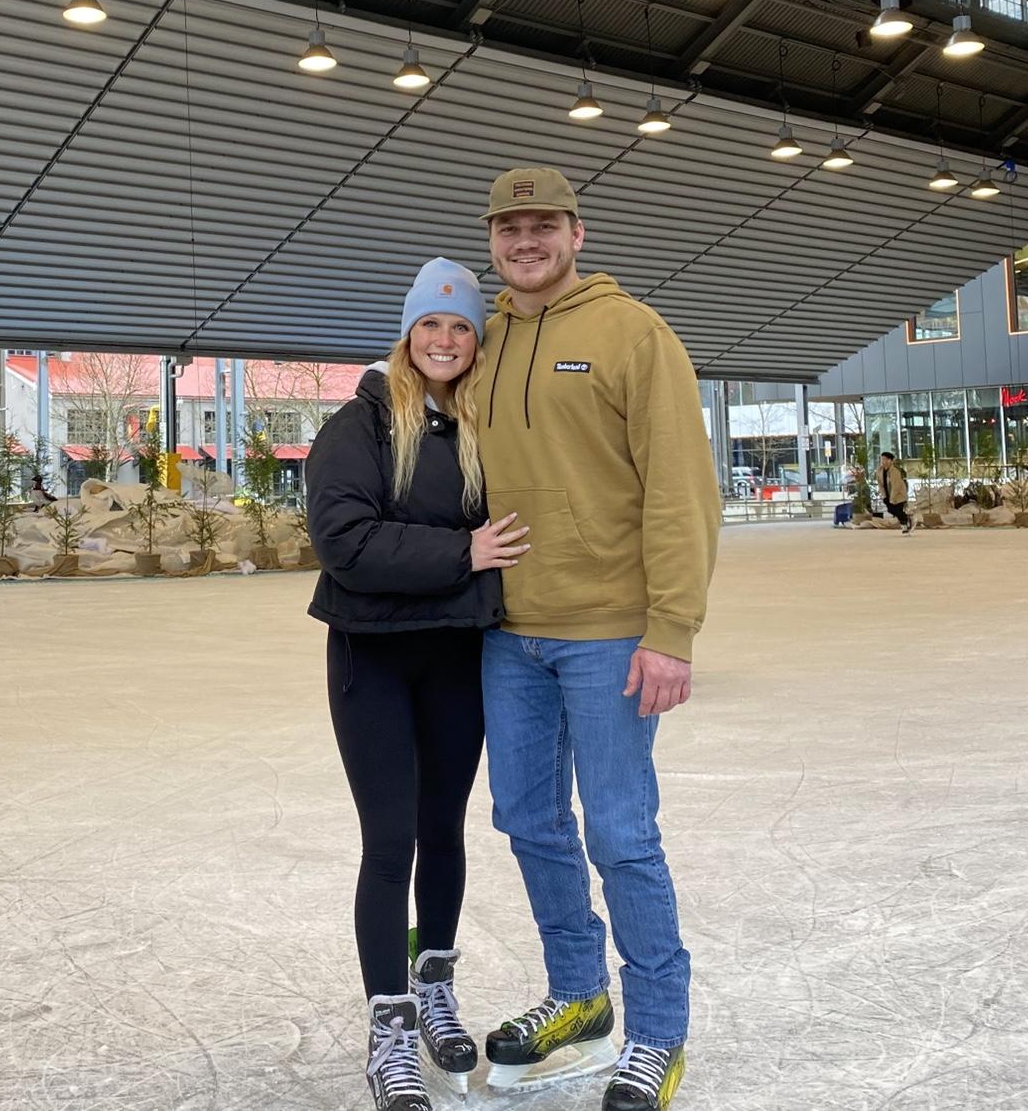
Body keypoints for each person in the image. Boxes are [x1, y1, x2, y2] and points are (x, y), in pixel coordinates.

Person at [473, 169, 721, 1111]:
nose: (525, 241)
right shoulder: (486, 337)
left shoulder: (633, 334)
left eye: (543, 226)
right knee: (528, 819)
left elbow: (680, 489)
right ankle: (580, 995)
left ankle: (659, 1032)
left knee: (620, 832)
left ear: (578, 232)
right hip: (509, 634)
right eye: (509, 228)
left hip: (612, 633)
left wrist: (672, 630)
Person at [306, 257, 529, 1111]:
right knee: (390, 838)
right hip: (374, 659)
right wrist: (461, 554)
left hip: (453, 656)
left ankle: (435, 986)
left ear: (476, 342)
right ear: (407, 334)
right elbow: (346, 542)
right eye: (430, 325)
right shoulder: (358, 424)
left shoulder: (478, 430)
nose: (444, 339)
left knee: (444, 831)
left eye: (461, 326)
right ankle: (389, 1026)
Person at [877, 451, 913, 534]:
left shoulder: (895, 471)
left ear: (891, 461)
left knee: (897, 510)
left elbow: (896, 486)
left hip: (898, 495)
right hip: (888, 495)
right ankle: (907, 520)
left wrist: (892, 499)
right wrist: (884, 496)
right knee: (891, 510)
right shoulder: (879, 471)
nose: (883, 461)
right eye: (882, 459)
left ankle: (905, 526)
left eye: (885, 459)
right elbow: (880, 485)